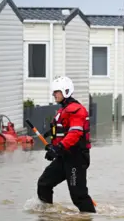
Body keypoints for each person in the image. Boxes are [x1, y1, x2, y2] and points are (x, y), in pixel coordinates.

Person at [37, 76, 96, 213]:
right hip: (64, 157)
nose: (53, 94)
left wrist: (58, 148)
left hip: (76, 158)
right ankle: (48, 215)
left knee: (78, 196)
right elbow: (62, 132)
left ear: (66, 91)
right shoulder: (63, 110)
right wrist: (53, 146)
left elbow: (74, 133)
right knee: (44, 184)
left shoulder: (76, 110)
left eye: (56, 92)